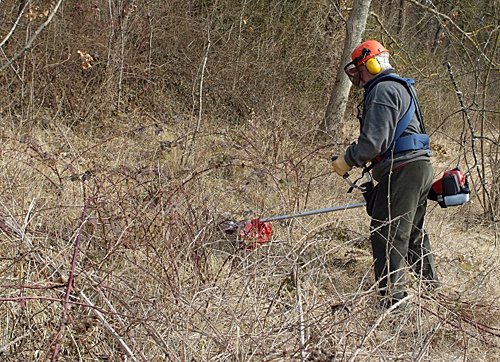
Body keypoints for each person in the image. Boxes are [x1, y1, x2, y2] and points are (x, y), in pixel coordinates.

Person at [331, 40, 438, 307]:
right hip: (418, 167)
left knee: (387, 234)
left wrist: (347, 160)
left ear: (371, 63)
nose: (358, 76)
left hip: (404, 169)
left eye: (359, 69)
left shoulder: (382, 90)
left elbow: (372, 143)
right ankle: (432, 288)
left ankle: (394, 303)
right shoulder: (399, 87)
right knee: (411, 233)